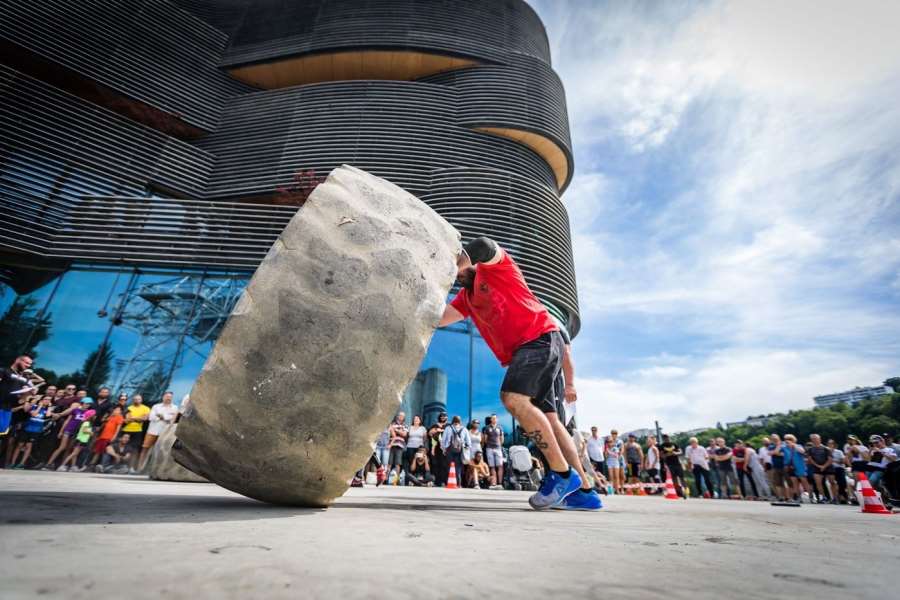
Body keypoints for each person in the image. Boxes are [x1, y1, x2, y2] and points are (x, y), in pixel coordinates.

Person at [438, 237, 599, 510]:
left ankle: (561, 475)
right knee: (551, 419)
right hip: (533, 347)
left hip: (537, 338)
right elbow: (439, 318)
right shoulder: (466, 298)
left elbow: (484, 246)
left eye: (457, 270)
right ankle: (584, 492)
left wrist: (453, 260)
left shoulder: (495, 269)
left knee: (513, 398)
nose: (455, 277)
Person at [138, 391, 179, 471]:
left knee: (160, 450)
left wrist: (162, 416)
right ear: (163, 397)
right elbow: (151, 417)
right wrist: (165, 417)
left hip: (164, 433)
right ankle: (140, 468)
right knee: (145, 448)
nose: (168, 398)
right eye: (167, 396)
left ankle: (154, 469)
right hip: (152, 431)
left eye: (170, 397)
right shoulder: (156, 406)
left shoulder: (175, 408)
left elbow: (172, 419)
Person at [9, 395, 53, 469]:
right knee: (20, 445)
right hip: (27, 428)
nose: (47, 401)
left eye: (49, 400)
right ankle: (13, 462)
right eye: (46, 399)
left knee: (28, 446)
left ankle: (21, 464)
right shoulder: (34, 406)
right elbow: (34, 414)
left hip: (36, 431)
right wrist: (40, 406)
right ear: (41, 400)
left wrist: (49, 407)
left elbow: (48, 415)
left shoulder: (48, 409)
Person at [121, 394, 149, 472]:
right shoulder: (129, 408)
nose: (137, 400)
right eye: (135, 399)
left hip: (137, 431)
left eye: (138, 399)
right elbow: (126, 420)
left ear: (141, 400)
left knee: (135, 450)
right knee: (124, 449)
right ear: (133, 400)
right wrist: (138, 418)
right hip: (126, 430)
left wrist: (133, 418)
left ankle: (131, 467)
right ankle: (122, 466)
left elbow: (144, 419)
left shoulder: (145, 408)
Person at [440, 415, 470, 482]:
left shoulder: (448, 428)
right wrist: (465, 449)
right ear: (460, 421)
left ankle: (449, 482)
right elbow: (468, 442)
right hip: (459, 450)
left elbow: (443, 440)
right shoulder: (464, 429)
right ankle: (458, 483)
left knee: (449, 466)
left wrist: (443, 449)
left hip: (449, 449)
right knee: (458, 466)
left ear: (452, 420)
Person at [807, 434, 836, 503]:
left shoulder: (826, 449)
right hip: (817, 467)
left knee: (832, 482)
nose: (814, 440)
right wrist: (818, 466)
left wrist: (824, 466)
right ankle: (823, 497)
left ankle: (835, 498)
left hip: (828, 467)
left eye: (816, 439)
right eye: (813, 439)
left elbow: (830, 459)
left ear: (820, 439)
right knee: (818, 483)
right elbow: (810, 459)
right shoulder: (810, 449)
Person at [782, 434, 811, 501]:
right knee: (795, 483)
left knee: (804, 482)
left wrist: (794, 445)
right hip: (791, 467)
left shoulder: (798, 446)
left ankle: (811, 497)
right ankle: (798, 497)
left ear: (793, 440)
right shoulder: (784, 448)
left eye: (789, 439)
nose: (787, 441)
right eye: (786, 439)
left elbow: (803, 452)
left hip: (800, 467)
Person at [482, 414, 504, 488]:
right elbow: (485, 439)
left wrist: (498, 445)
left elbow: (502, 439)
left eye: (495, 418)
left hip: (498, 448)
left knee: (500, 466)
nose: (494, 419)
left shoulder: (500, 428)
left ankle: (500, 483)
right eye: (492, 418)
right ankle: (494, 483)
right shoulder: (487, 428)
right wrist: (489, 445)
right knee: (492, 466)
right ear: (491, 420)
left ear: (497, 419)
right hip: (489, 448)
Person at [387, 411, 409, 483]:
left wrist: (395, 430)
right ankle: (386, 479)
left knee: (398, 463)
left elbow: (404, 434)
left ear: (404, 418)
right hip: (391, 444)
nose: (401, 417)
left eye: (402, 416)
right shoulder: (392, 424)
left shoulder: (405, 425)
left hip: (400, 445)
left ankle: (396, 480)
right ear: (397, 416)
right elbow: (390, 432)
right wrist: (399, 431)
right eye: (400, 415)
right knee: (389, 462)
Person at [428, 412, 449, 486]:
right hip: (435, 447)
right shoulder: (435, 425)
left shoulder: (449, 426)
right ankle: (437, 482)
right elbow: (430, 433)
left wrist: (442, 430)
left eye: (444, 416)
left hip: (446, 448)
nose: (443, 417)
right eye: (441, 416)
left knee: (445, 465)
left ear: (447, 417)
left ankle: (444, 481)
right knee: (436, 464)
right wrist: (437, 429)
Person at [827, 439, 848, 503]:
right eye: (829, 443)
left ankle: (842, 496)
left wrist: (833, 460)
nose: (830, 445)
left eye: (831, 443)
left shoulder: (839, 452)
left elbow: (843, 461)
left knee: (842, 483)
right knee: (832, 483)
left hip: (839, 468)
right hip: (830, 468)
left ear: (834, 445)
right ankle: (835, 498)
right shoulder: (826, 451)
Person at [767, 434, 786, 500]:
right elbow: (770, 453)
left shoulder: (784, 444)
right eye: (772, 438)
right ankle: (780, 497)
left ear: (778, 437)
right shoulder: (771, 446)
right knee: (777, 483)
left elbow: (785, 454)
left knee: (785, 482)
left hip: (785, 466)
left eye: (775, 437)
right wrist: (778, 447)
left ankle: (787, 497)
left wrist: (775, 452)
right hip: (775, 466)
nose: (774, 438)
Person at [606, 430, 625, 494]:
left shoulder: (620, 441)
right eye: (613, 433)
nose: (614, 434)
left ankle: (620, 489)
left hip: (619, 460)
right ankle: (613, 489)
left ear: (617, 434)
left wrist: (619, 456)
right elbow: (606, 452)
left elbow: (622, 450)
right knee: (611, 476)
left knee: (620, 475)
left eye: (615, 433)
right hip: (610, 460)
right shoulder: (608, 441)